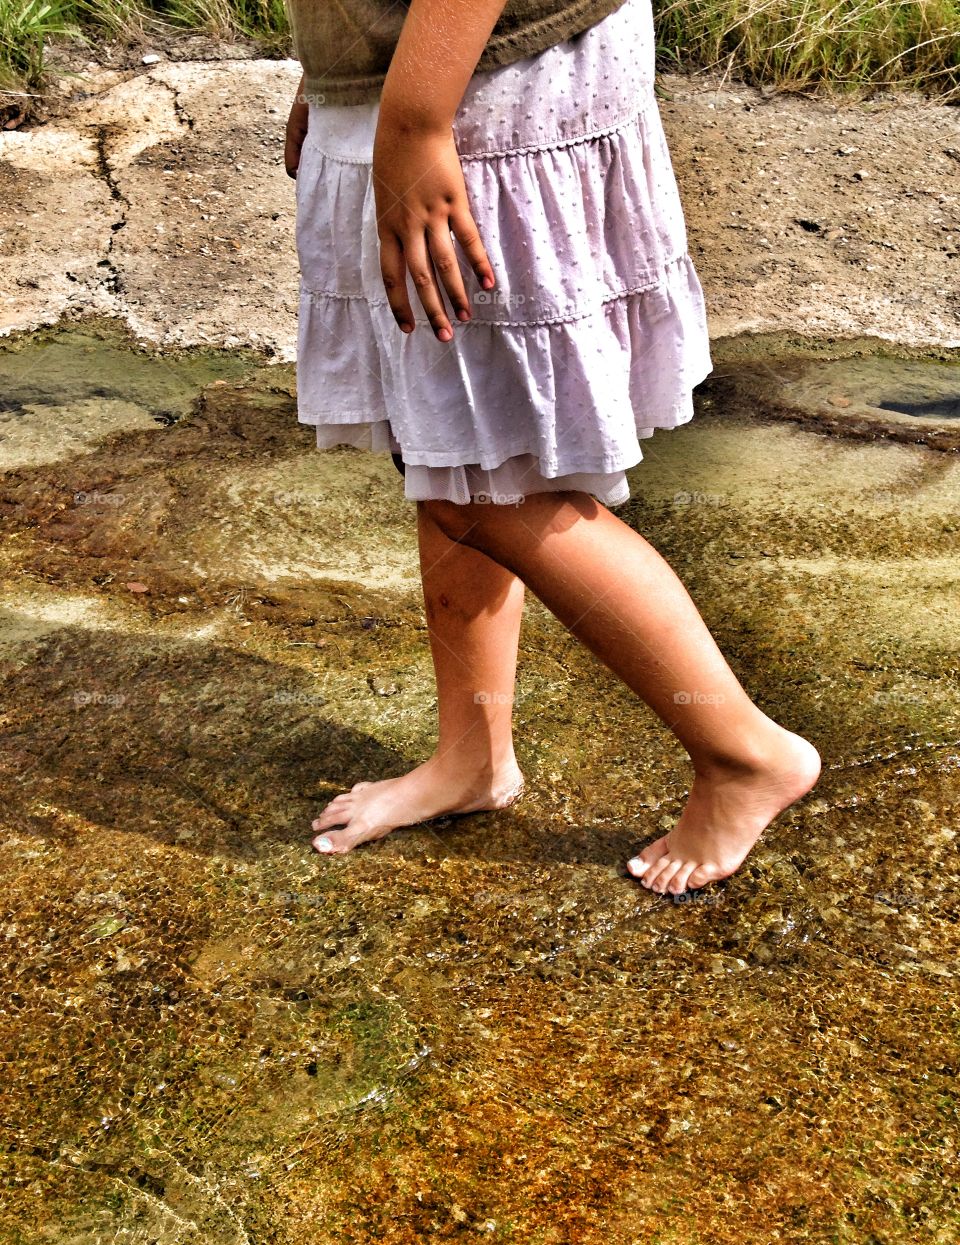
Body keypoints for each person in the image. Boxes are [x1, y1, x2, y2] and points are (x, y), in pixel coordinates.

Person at [284, 0, 821, 896]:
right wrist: (335, 66)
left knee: (487, 485)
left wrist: (414, 118)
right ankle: (472, 757)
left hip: (479, 82)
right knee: (447, 452)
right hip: (423, 68)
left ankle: (742, 751)